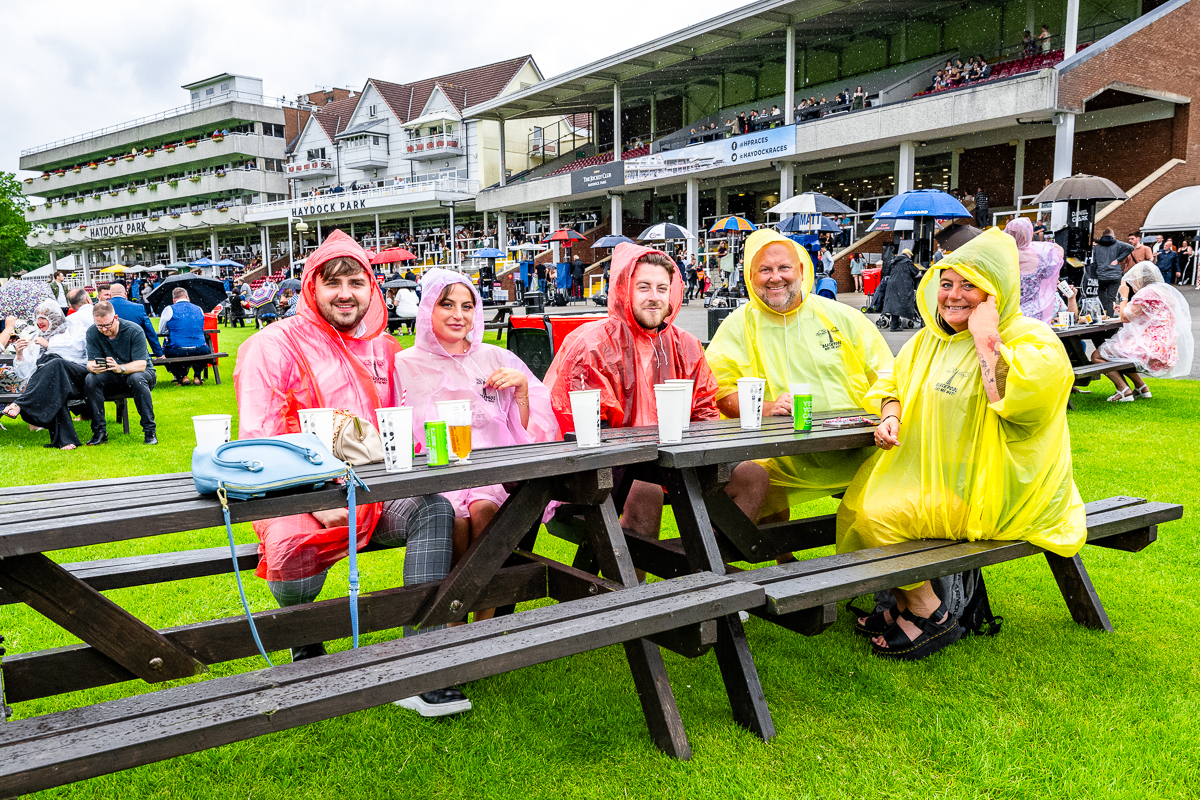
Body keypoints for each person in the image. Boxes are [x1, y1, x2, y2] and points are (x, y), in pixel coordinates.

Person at [233, 230, 466, 716]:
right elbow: (261, 437)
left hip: (374, 497)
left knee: (433, 511)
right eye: (333, 282)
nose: (345, 293)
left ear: (371, 288)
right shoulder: (270, 346)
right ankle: (304, 636)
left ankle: (418, 662)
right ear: (311, 287)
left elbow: (402, 427)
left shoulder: (384, 348)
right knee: (291, 558)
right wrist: (313, 502)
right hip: (297, 497)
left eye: (356, 281)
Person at [837, 228, 1086, 660]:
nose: (953, 296)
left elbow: (1015, 401)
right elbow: (890, 381)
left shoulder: (1032, 341)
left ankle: (929, 613)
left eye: (970, 285)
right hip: (944, 481)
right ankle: (897, 603)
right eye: (946, 284)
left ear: (997, 293)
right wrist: (891, 413)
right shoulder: (929, 341)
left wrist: (986, 335)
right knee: (857, 507)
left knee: (878, 518)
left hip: (1000, 489)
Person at [544, 243, 768, 548]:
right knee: (645, 492)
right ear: (624, 289)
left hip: (677, 462)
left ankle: (705, 575)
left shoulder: (685, 345)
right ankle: (633, 593)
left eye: (662, 287)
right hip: (610, 469)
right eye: (644, 287)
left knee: (753, 476)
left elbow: (704, 412)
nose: (654, 296)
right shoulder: (593, 345)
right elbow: (581, 426)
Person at [395, 269, 558, 612]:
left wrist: (523, 389)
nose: (458, 315)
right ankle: (452, 618)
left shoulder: (496, 358)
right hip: (436, 477)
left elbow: (525, 432)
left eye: (467, 306)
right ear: (428, 309)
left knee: (485, 511)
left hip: (490, 475)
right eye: (447, 304)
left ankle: (486, 617)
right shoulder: (404, 365)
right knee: (453, 520)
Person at [704, 229, 893, 525]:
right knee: (756, 477)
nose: (775, 277)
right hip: (780, 457)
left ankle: (887, 560)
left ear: (802, 270)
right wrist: (768, 408)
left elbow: (886, 377)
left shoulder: (842, 318)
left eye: (784, 268)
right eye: (764, 269)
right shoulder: (736, 327)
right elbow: (718, 393)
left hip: (858, 448)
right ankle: (783, 558)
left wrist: (889, 417)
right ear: (750, 276)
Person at [1090, 262, 1194, 400]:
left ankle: (1123, 390)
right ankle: (1141, 387)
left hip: (1150, 346)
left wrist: (1124, 296)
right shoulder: (1163, 291)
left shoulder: (1146, 293)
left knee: (1097, 355)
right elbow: (1145, 315)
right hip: (1165, 346)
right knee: (1118, 354)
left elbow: (1125, 318)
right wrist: (1123, 308)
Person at [1, 300, 90, 449]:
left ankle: (20, 403)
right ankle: (66, 441)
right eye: (38, 318)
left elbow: (78, 352)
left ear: (54, 318)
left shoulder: (73, 330)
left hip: (76, 378)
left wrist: (49, 345)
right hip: (55, 383)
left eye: (44, 318)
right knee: (52, 387)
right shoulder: (35, 337)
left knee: (53, 361)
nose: (40, 322)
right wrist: (20, 354)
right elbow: (26, 373)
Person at [84, 300, 157, 446]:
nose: (104, 329)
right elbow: (90, 362)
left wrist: (120, 368)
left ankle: (150, 431)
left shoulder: (134, 330)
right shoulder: (92, 332)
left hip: (142, 374)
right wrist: (93, 367)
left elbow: (141, 364)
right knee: (90, 379)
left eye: (107, 325)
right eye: (100, 326)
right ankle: (99, 431)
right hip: (112, 374)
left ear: (115, 318)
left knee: (136, 379)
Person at [1004, 217, 1066, 323]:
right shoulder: (1040, 257)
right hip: (1034, 314)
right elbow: (1058, 252)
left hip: (1009, 314)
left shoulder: (1003, 257)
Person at [159, 288, 212, 385]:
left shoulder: (169, 309)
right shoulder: (198, 308)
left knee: (164, 352)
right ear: (187, 297)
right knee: (204, 350)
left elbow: (162, 331)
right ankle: (197, 376)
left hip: (179, 350)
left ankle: (182, 376)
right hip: (200, 348)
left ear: (174, 299)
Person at [108, 282, 164, 358]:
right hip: (137, 354)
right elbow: (150, 332)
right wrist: (159, 353)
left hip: (111, 354)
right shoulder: (138, 308)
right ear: (125, 294)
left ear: (110, 295)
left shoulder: (100, 308)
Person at [1088, 228, 1134, 317]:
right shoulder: (1117, 244)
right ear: (1112, 236)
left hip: (1101, 276)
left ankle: (1103, 314)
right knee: (1111, 298)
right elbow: (1130, 247)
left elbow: (1093, 263)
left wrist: (1093, 275)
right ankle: (1109, 316)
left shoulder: (1097, 248)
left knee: (1102, 295)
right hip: (1115, 276)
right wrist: (1118, 259)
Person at [882, 248, 919, 331]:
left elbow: (887, 271)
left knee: (894, 304)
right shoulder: (907, 262)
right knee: (899, 304)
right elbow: (915, 271)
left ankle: (894, 324)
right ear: (909, 255)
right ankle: (894, 326)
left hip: (892, 284)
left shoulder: (894, 261)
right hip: (901, 285)